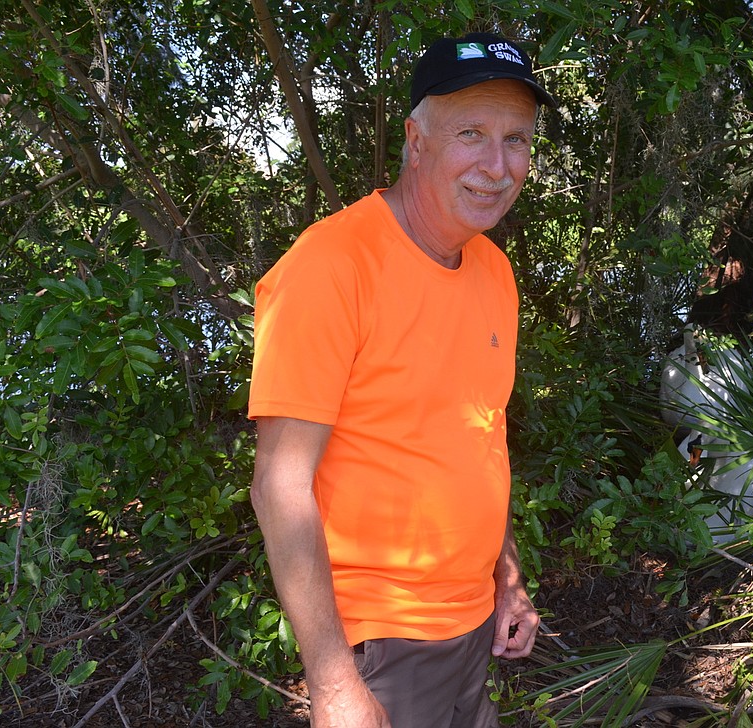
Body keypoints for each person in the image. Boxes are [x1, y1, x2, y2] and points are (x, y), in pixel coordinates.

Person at [248, 32, 557, 728]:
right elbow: (279, 485)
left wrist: (506, 577)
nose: (496, 164)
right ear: (417, 141)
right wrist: (332, 686)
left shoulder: (493, 272)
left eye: (516, 139)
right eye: (471, 133)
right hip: (382, 642)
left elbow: (482, 436)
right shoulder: (331, 267)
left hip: (472, 625)